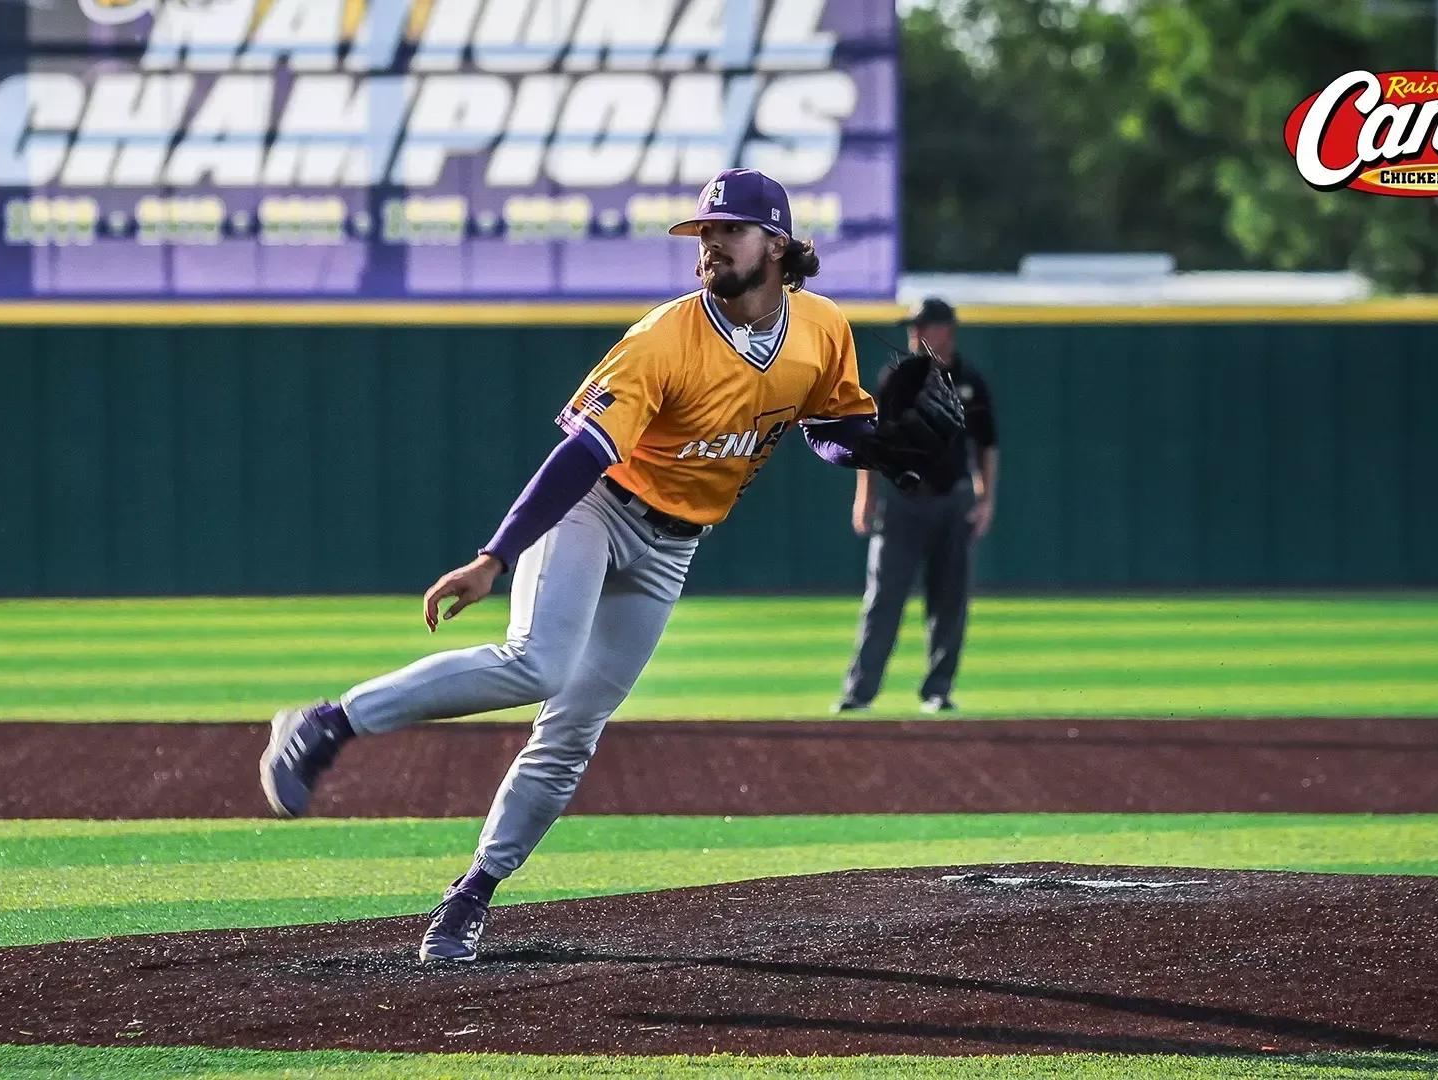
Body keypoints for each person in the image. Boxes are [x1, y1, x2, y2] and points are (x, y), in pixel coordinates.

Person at [260, 169, 895, 965]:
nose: (709, 246)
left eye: (726, 231)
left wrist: (886, 448)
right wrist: (495, 556)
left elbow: (829, 426)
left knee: (572, 732)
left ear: (775, 243)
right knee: (537, 663)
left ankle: (469, 897)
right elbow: (581, 454)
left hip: (674, 544)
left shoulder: (822, 328)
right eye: (702, 233)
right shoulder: (664, 338)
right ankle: (327, 724)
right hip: (596, 508)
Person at [835, 298, 999, 714]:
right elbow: (872, 442)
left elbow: (986, 445)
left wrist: (985, 498)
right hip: (904, 502)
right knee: (883, 600)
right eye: (913, 327)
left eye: (924, 326)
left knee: (949, 602)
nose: (915, 333)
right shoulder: (896, 379)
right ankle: (859, 693)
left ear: (947, 329)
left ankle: (938, 690)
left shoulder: (969, 381)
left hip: (952, 500)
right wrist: (865, 497)